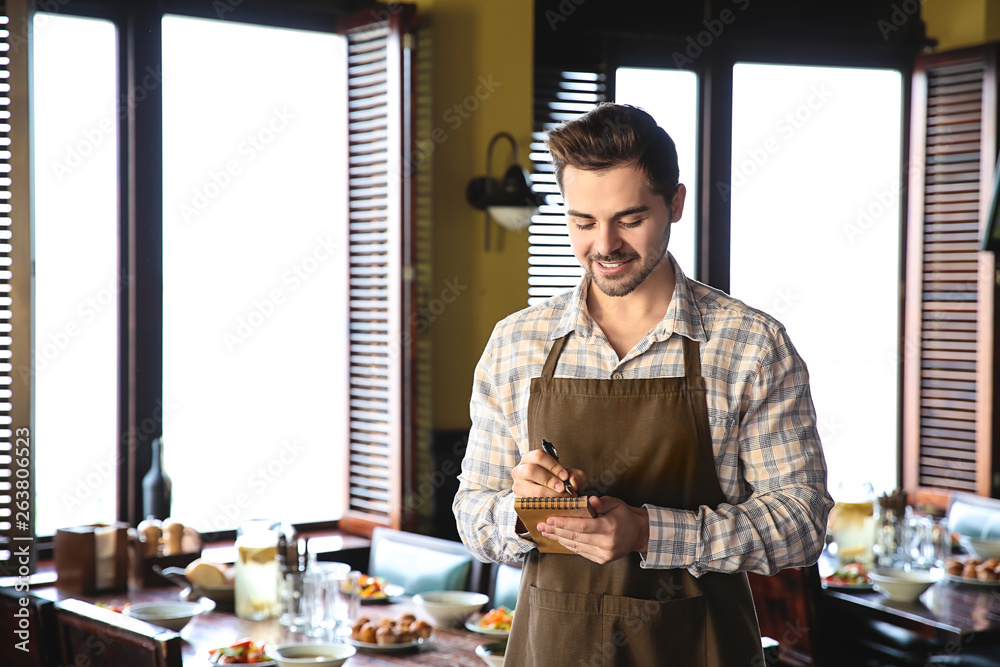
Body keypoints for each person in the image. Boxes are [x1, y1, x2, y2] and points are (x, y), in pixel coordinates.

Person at [453, 103, 833, 666]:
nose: (603, 245)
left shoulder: (751, 346)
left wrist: (650, 532)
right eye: (582, 222)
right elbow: (471, 513)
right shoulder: (516, 344)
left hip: (701, 649)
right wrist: (525, 511)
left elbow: (801, 523)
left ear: (675, 204)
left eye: (629, 219)